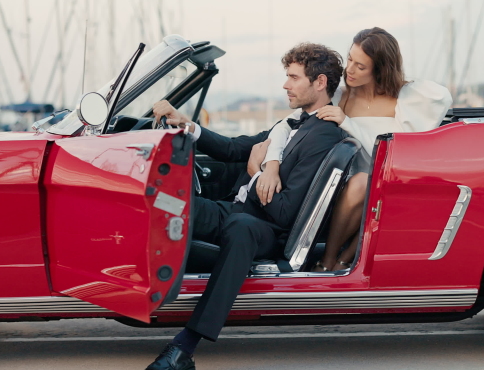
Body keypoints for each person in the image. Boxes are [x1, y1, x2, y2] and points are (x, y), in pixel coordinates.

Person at [146, 43, 348, 370]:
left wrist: (256, 173)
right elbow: (233, 147)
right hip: (237, 210)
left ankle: (184, 348)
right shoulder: (292, 122)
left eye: (294, 78)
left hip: (266, 228)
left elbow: (285, 212)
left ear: (320, 82)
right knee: (166, 204)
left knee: (240, 229)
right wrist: (185, 124)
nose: (285, 85)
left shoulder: (323, 135)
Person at [257, 27, 452, 272]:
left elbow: (398, 155)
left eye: (360, 66)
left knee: (366, 183)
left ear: (380, 69)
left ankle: (335, 260)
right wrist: (271, 165)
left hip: (390, 185)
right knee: (360, 182)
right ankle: (334, 259)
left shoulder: (407, 98)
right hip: (338, 187)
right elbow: (285, 126)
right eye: (350, 58)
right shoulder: (340, 96)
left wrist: (346, 123)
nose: (349, 70)